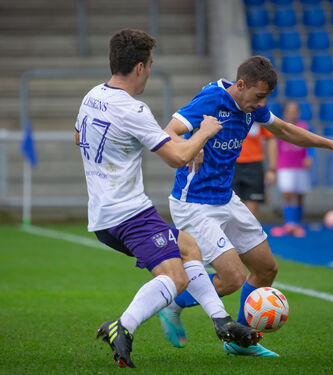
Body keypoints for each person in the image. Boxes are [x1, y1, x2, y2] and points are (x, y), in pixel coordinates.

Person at [74, 29, 260, 369]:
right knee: (176, 278)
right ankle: (123, 327)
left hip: (104, 213)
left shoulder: (92, 97)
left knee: (189, 247)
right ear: (141, 67)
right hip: (129, 214)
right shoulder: (134, 110)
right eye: (151, 64)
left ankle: (221, 322)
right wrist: (203, 132)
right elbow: (177, 157)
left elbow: (77, 137)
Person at [157, 56, 333, 357]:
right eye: (259, 96)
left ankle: (239, 341)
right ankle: (175, 303)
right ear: (240, 85)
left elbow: (286, 130)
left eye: (266, 98)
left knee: (266, 268)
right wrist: (188, 148)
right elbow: (168, 131)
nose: (262, 103)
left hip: (226, 199)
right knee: (232, 278)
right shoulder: (212, 99)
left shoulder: (252, 107)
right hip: (194, 204)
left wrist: (331, 144)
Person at [277, 101, 314, 237]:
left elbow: (310, 142)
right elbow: (275, 146)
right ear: (285, 112)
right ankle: (289, 223)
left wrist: (310, 156)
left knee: (299, 195)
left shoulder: (304, 126)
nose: (292, 114)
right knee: (287, 194)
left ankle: (297, 223)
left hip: (300, 166)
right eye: (289, 111)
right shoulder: (280, 127)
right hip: (285, 165)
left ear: (298, 112)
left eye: (294, 111)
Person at [232, 122, 277, 220]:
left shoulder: (258, 111)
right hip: (231, 164)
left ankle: (251, 235)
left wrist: (272, 169)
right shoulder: (227, 110)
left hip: (254, 165)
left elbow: (270, 138)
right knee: (233, 208)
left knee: (251, 211)